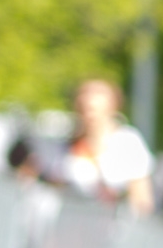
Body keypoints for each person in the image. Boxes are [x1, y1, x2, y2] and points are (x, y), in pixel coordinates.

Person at [55, 78, 153, 214]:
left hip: (112, 226)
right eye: (85, 109)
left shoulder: (127, 141)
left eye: (93, 109)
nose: (89, 115)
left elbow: (141, 198)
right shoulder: (67, 144)